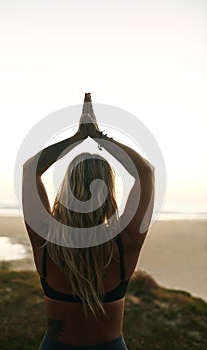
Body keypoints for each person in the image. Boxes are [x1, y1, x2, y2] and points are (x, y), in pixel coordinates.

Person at [22, 93, 155, 350]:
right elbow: (145, 172)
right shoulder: (124, 243)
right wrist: (100, 137)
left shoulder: (46, 239)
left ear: (67, 188)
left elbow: (31, 169)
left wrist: (76, 138)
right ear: (108, 194)